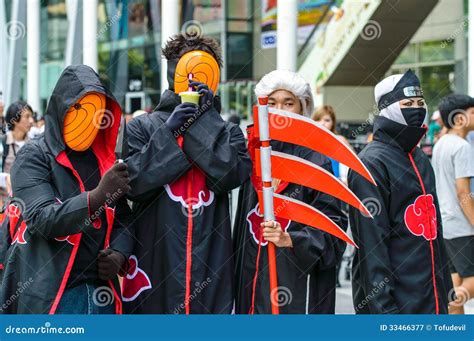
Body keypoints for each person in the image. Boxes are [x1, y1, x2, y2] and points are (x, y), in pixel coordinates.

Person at [123, 33, 251, 314]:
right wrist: (168, 133)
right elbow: (133, 185)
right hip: (153, 265)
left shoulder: (228, 132)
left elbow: (230, 175)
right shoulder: (141, 128)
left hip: (212, 267)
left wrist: (204, 121)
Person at [0, 65, 133, 314]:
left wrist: (120, 254)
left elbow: (123, 217)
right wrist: (98, 196)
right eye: (80, 108)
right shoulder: (34, 155)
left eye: (98, 111)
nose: (89, 120)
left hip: (101, 292)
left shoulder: (103, 157)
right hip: (53, 296)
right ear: (62, 108)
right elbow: (41, 218)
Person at [233, 70, 347, 314]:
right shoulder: (251, 155)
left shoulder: (315, 159)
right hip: (252, 278)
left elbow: (334, 226)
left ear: (302, 108)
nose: (279, 111)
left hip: (295, 281)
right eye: (271, 103)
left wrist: (292, 239)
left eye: (288, 103)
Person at [348, 70, 453, 314]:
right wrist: (384, 309)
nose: (416, 109)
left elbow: (434, 233)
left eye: (419, 102)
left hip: (432, 296)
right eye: (406, 103)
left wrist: (445, 288)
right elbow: (372, 246)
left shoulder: (419, 158)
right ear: (387, 109)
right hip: (396, 302)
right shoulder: (371, 163)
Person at [432, 94, 474, 314]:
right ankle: (431, 308)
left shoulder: (441, 144)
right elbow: (463, 192)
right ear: (459, 119)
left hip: (445, 224)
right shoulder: (462, 147)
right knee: (468, 285)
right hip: (461, 225)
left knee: (455, 282)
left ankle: (453, 331)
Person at [2, 101, 34, 174]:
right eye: (27, 116)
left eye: (32, 116)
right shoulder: (3, 142)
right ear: (15, 120)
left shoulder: (34, 143)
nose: (31, 121)